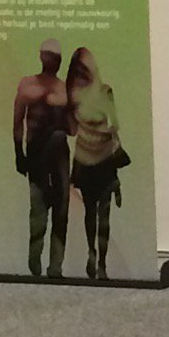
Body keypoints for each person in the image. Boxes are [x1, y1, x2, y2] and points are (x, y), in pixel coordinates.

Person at [12, 38, 72, 278]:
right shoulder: (28, 85)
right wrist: (19, 153)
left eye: (55, 57)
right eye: (50, 56)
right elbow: (18, 121)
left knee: (60, 208)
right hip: (37, 154)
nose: (53, 61)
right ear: (41, 57)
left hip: (57, 153)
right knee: (39, 210)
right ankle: (35, 260)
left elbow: (73, 128)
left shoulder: (64, 89)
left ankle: (55, 265)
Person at [66, 47, 127, 281]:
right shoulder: (104, 92)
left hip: (86, 158)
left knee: (92, 213)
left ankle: (95, 256)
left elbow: (72, 129)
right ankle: (99, 260)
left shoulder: (74, 96)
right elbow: (115, 125)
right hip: (100, 158)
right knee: (101, 214)